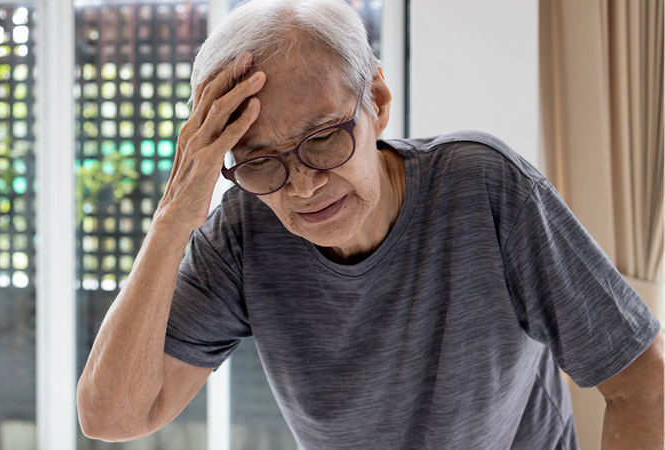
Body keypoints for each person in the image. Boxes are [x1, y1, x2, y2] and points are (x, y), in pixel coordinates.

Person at [76, 0, 665, 448]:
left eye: (325, 138)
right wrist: (173, 219)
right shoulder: (244, 227)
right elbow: (112, 416)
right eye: (260, 163)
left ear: (377, 102)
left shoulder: (485, 186)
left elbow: (645, 384)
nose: (303, 185)